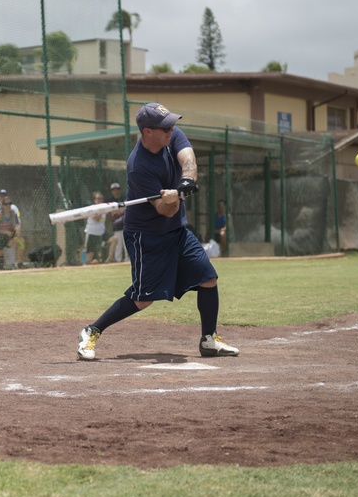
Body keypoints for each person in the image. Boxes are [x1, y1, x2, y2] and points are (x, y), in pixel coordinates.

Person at [77, 102, 239, 361]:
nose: (171, 130)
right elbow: (166, 210)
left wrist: (186, 181)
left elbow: (188, 158)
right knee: (143, 299)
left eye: (171, 126)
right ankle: (92, 330)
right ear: (147, 132)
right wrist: (174, 199)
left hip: (177, 232)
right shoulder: (139, 166)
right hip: (146, 236)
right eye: (165, 128)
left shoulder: (171, 135)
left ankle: (209, 339)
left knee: (208, 279)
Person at [0, 189, 22, 270]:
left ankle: (19, 263)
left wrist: (14, 234)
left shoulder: (13, 212)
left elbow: (16, 225)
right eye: (6, 204)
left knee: (21, 243)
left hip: (8, 239)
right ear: (2, 205)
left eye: (10, 204)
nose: (8, 206)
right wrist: (5, 232)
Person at [105, 182, 127, 262]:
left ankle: (128, 261)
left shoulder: (124, 199)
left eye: (117, 189)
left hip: (126, 226)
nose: (116, 191)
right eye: (113, 190)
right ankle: (118, 261)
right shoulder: (110, 201)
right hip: (117, 227)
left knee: (127, 246)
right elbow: (108, 215)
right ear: (111, 191)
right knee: (118, 247)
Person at [83, 191, 106, 264]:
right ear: (94, 200)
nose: (100, 200)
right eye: (98, 199)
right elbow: (97, 219)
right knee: (89, 255)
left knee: (96, 258)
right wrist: (102, 210)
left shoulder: (104, 209)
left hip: (100, 234)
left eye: (101, 199)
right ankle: (84, 264)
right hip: (91, 233)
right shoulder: (92, 209)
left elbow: (103, 221)